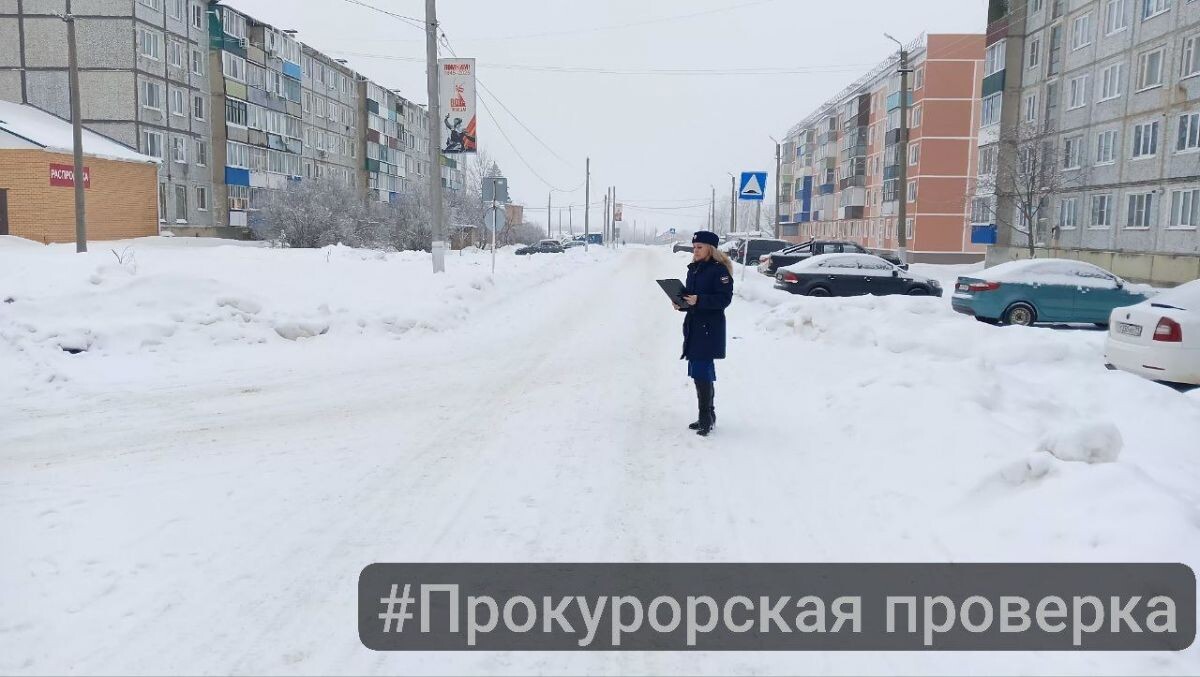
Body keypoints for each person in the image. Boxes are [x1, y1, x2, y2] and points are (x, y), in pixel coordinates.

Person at [673, 230, 734, 436]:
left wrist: (699, 300)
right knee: (699, 370)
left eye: (699, 247)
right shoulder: (694, 269)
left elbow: (724, 299)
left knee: (701, 370)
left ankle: (706, 417)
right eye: (694, 247)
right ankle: (708, 415)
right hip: (693, 326)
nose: (695, 251)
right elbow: (690, 298)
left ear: (711, 249)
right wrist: (681, 304)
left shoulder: (719, 271)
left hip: (709, 328)